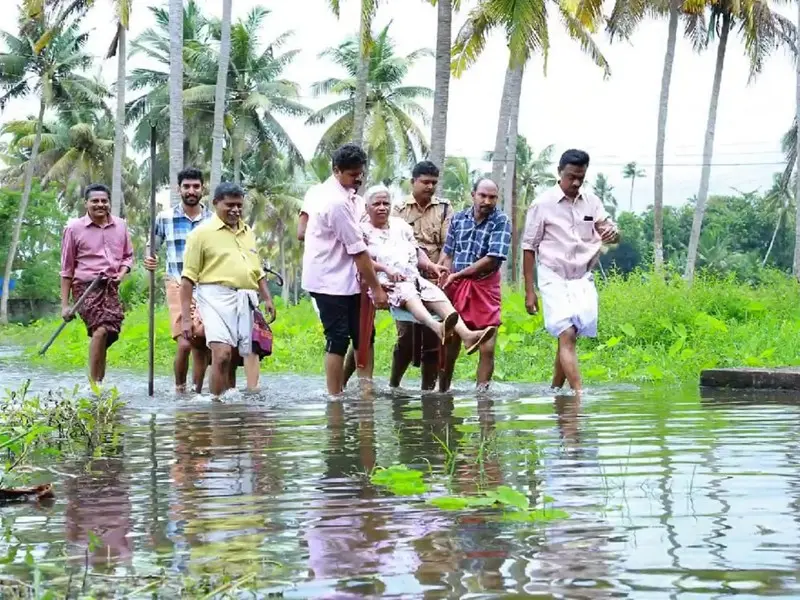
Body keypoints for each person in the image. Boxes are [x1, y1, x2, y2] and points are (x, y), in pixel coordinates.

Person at [522, 149, 619, 394]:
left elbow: (608, 229)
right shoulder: (542, 204)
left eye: (580, 177)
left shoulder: (592, 201)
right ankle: (579, 394)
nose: (575, 182)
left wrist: (612, 233)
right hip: (553, 274)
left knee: (570, 334)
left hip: (581, 277)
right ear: (559, 173)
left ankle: (555, 390)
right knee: (566, 331)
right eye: (570, 176)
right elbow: (528, 247)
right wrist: (529, 291)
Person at [362, 185, 495, 351]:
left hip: (411, 276)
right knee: (408, 291)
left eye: (386, 203)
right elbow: (361, 260)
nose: (382, 208)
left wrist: (431, 265)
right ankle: (437, 327)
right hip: (384, 282)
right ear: (367, 207)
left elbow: (416, 252)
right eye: (377, 204)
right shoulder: (362, 230)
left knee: (435, 293)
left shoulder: (400, 226)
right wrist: (386, 270)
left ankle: (467, 335)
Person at [301, 144, 388, 395]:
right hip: (328, 281)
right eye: (352, 174)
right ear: (337, 171)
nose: (358, 178)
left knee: (364, 334)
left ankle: (365, 388)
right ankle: (334, 396)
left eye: (361, 173)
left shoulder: (351, 197)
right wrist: (377, 289)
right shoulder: (335, 202)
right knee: (337, 339)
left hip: (349, 279)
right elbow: (358, 252)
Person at [180, 182, 276, 396]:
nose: (236, 210)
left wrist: (268, 298)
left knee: (234, 357)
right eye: (230, 205)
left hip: (245, 298)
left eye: (239, 205)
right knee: (221, 354)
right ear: (215, 204)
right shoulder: (201, 234)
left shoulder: (247, 231)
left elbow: (256, 269)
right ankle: (215, 403)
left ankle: (228, 407)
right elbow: (187, 279)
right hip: (214, 298)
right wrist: (186, 318)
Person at [144, 167, 212, 393]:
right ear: (178, 189)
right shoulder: (165, 218)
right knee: (184, 341)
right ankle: (179, 389)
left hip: (207, 286)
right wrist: (149, 258)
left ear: (203, 189)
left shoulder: (213, 220)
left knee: (201, 340)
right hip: (177, 282)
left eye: (196, 186)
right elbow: (152, 245)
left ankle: (197, 391)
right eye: (186, 186)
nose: (191, 191)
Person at [438, 178, 509, 391]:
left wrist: (457, 274)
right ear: (473, 195)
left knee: (487, 345)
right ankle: (443, 391)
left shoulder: (501, 221)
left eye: (492, 197)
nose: (487, 201)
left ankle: (482, 395)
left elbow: (492, 258)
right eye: (483, 196)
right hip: (455, 285)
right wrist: (443, 273)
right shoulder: (458, 218)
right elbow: (448, 252)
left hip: (485, 286)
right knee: (449, 342)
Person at [60, 183, 133, 383]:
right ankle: (94, 385)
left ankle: (99, 379)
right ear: (86, 203)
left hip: (111, 286)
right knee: (100, 330)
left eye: (104, 201)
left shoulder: (120, 225)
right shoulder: (74, 229)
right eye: (95, 201)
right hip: (85, 287)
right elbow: (67, 269)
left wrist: (122, 272)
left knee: (110, 333)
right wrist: (65, 305)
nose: (100, 204)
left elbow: (128, 257)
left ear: (109, 203)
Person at [389, 160, 452, 390]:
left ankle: (427, 391)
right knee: (406, 337)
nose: (429, 187)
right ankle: (394, 386)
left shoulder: (444, 207)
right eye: (425, 182)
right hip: (404, 280)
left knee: (433, 341)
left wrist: (442, 269)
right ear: (413, 182)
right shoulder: (397, 210)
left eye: (434, 183)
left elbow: (448, 244)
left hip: (433, 279)